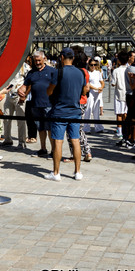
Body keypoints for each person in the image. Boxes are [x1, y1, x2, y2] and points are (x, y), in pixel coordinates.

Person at [44, 48, 88, 181]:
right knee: (75, 140)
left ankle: (56, 173)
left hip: (60, 111)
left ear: (62, 58)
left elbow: (49, 92)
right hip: (75, 111)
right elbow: (85, 91)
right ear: (73, 58)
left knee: (58, 141)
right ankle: (78, 171)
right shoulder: (80, 72)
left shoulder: (59, 72)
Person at [18, 51, 58, 158]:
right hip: (36, 104)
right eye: (36, 61)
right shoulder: (31, 73)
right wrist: (20, 91)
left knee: (49, 128)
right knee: (40, 128)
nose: (38, 62)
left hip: (49, 104)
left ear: (44, 59)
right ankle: (43, 148)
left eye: (39, 60)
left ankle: (54, 151)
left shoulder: (52, 71)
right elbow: (24, 86)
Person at [1, 62, 28, 148]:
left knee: (20, 119)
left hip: (19, 96)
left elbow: (29, 81)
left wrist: (25, 94)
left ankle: (22, 141)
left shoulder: (25, 66)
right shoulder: (8, 64)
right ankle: (7, 139)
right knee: (6, 118)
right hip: (9, 95)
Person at [111, 52, 129, 144]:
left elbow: (113, 83)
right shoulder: (129, 69)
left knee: (119, 114)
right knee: (126, 114)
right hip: (128, 94)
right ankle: (126, 131)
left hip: (119, 94)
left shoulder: (116, 71)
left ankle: (119, 132)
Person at [83, 56, 104, 134]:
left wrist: (101, 87)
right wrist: (96, 88)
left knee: (96, 110)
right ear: (89, 65)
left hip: (97, 92)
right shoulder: (87, 73)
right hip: (90, 92)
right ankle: (86, 128)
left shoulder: (98, 72)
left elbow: (102, 82)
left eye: (95, 64)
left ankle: (98, 127)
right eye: (91, 65)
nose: (93, 66)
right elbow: (88, 83)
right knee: (88, 109)